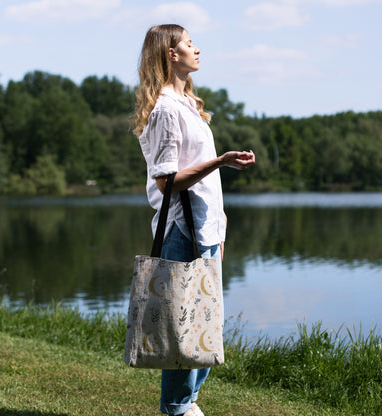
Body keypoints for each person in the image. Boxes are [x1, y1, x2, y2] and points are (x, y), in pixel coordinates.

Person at [134, 24, 255, 416]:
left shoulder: (187, 105)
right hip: (182, 231)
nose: (196, 49)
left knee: (203, 324)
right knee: (183, 327)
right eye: (189, 44)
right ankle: (177, 406)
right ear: (172, 53)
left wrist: (218, 223)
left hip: (203, 230)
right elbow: (167, 180)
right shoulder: (167, 110)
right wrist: (219, 161)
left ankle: (185, 403)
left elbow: (201, 182)